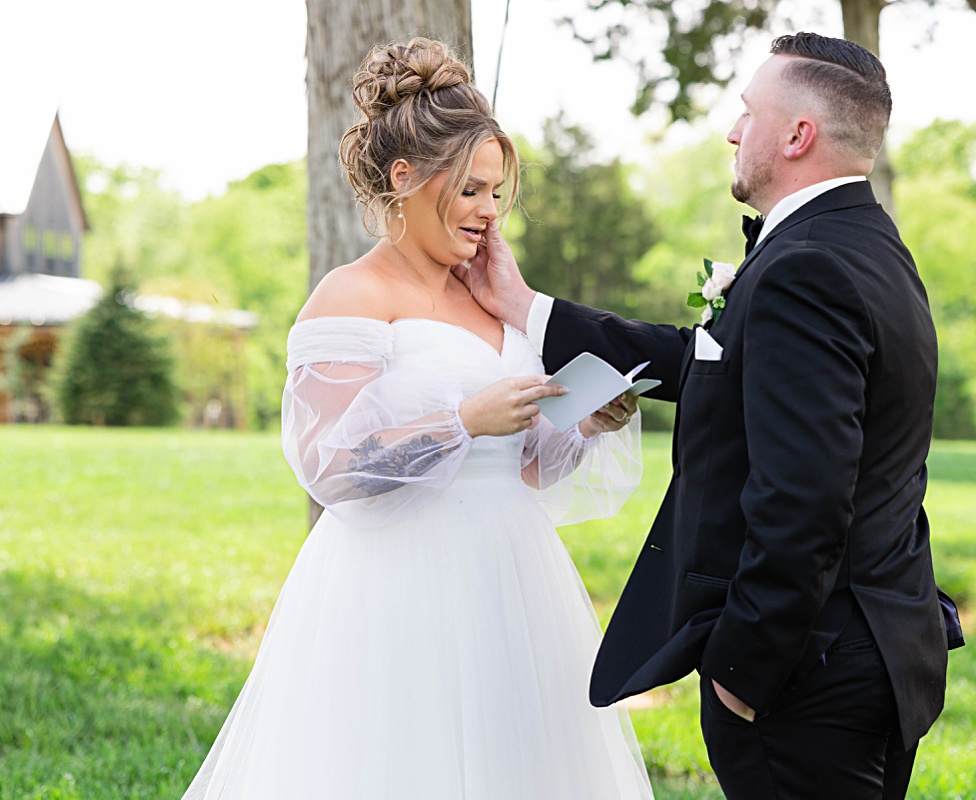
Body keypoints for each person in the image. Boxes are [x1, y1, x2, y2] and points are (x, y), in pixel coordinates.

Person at [459, 31, 948, 800]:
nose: (731, 130)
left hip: (802, 675)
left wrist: (741, 675)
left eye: (747, 113)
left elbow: (805, 503)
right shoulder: (868, 247)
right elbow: (706, 360)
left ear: (797, 135)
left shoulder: (805, 268)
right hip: (875, 647)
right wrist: (529, 310)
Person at [180, 37, 653, 799]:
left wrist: (579, 421)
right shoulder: (350, 296)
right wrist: (460, 420)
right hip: (398, 578)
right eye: (469, 190)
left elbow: (527, 464)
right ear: (404, 178)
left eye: (496, 192)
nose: (488, 213)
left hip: (513, 572)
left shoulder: (490, 296)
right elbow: (331, 466)